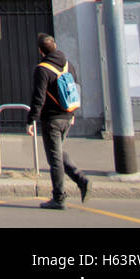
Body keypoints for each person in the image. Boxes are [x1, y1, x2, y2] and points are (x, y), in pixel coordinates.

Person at [26, 32, 90, 209]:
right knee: (58, 153)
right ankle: (80, 179)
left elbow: (38, 98)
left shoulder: (42, 69)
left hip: (52, 120)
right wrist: (73, 114)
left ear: (41, 50)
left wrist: (31, 120)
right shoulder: (68, 65)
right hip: (67, 116)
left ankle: (59, 197)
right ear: (55, 46)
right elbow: (73, 89)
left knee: (54, 160)